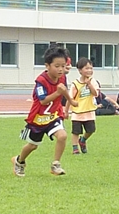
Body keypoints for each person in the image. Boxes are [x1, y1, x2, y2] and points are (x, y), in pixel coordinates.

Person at [11, 46, 78, 177]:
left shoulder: (62, 77)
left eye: (63, 66)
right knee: (33, 146)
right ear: (47, 65)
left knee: (63, 136)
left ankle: (56, 164)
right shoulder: (41, 81)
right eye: (57, 66)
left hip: (54, 115)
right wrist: (58, 92)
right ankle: (19, 161)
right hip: (38, 118)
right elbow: (43, 101)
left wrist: (70, 102)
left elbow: (63, 90)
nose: (60, 69)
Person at [68, 57, 100, 154]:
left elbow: (95, 94)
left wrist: (89, 84)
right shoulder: (75, 83)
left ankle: (83, 140)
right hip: (77, 112)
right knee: (76, 131)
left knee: (91, 130)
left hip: (89, 111)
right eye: (87, 68)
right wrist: (65, 111)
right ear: (80, 70)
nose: (89, 70)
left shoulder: (93, 81)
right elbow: (70, 98)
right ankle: (75, 148)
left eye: (91, 68)